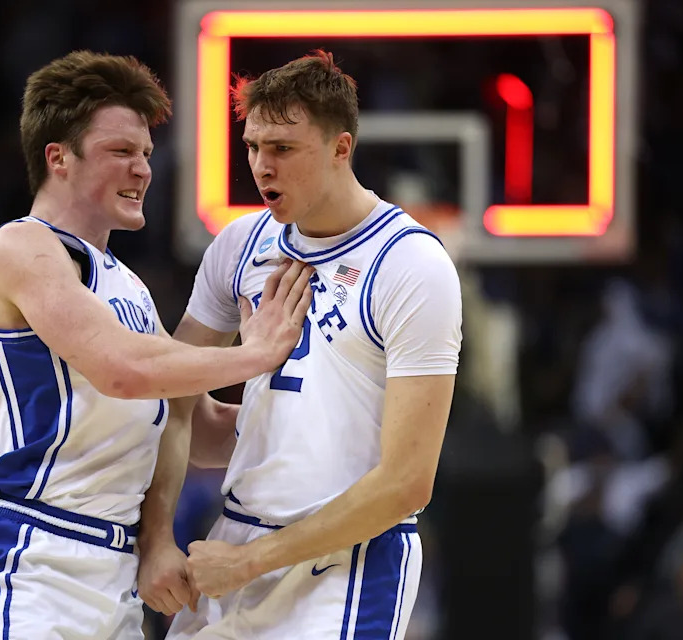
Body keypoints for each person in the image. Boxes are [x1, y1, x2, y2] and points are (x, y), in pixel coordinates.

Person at [0, 50, 312, 640]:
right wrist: (256, 353)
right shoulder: (22, 249)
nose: (142, 171)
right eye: (120, 153)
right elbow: (121, 370)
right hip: (29, 563)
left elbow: (194, 426)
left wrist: (332, 421)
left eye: (146, 155)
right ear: (58, 158)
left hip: (114, 576)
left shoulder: (126, 285)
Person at [137, 50, 463, 639]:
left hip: (345, 562)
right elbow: (174, 397)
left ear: (342, 148)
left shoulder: (412, 264)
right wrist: (156, 537)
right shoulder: (238, 244)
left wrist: (251, 562)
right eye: (253, 147)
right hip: (235, 539)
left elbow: (408, 482)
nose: (263, 166)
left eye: (283, 149)